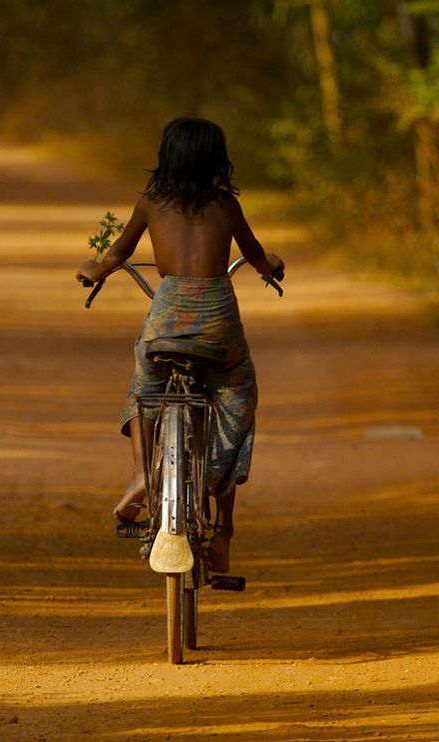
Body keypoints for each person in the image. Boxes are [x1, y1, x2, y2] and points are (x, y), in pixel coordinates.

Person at [76, 117, 284, 573]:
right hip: (217, 324)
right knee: (237, 390)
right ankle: (224, 533)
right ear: (215, 158)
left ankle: (140, 477)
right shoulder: (226, 206)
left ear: (167, 155)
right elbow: (253, 255)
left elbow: (118, 254)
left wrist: (95, 268)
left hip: (166, 320)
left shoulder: (151, 202)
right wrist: (271, 264)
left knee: (145, 386)